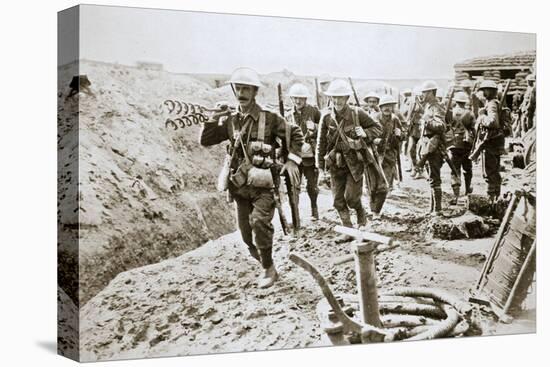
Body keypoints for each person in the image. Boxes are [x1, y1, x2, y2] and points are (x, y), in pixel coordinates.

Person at [199, 67, 304, 288]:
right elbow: (206, 140)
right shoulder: (230, 120)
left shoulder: (270, 118)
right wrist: (212, 119)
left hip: (264, 185)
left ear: (255, 92)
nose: (242, 93)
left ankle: (268, 269)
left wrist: (292, 160)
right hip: (239, 186)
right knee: (247, 236)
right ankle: (266, 260)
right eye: (238, 88)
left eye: (246, 89)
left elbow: (295, 133)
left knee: (259, 222)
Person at [317, 79, 382, 228]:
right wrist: (320, 169)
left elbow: (378, 128)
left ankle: (361, 216)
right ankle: (348, 228)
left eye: (341, 97)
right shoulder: (326, 117)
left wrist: (365, 133)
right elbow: (321, 144)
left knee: (352, 198)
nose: (338, 101)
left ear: (347, 98)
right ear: (330, 98)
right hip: (335, 163)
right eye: (335, 97)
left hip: (355, 163)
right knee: (338, 201)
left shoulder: (357, 113)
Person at [287, 83, 322, 219]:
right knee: (294, 186)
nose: (298, 101)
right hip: (295, 155)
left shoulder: (313, 111)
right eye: (295, 98)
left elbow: (326, 127)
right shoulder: (289, 115)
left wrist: (315, 127)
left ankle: (314, 208)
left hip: (310, 156)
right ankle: (295, 215)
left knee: (312, 186)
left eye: (300, 98)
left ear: (306, 99)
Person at [415, 80, 446, 215]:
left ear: (431, 92)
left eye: (425, 92)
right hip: (427, 146)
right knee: (431, 178)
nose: (423, 95)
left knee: (435, 178)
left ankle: (437, 209)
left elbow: (441, 127)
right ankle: (432, 209)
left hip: (434, 147)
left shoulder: (437, 108)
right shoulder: (428, 107)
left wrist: (428, 121)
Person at [476, 80, 505, 205]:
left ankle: (491, 200)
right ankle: (496, 198)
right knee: (494, 171)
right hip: (495, 142)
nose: (483, 92)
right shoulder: (493, 103)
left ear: (491, 91)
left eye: (485, 90)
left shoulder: (492, 104)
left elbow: (493, 122)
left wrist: (482, 116)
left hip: (490, 142)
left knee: (489, 172)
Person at [446, 91, 475, 204]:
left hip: (454, 144)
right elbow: (474, 129)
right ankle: (468, 191)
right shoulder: (469, 113)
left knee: (455, 169)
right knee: (467, 168)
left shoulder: (451, 113)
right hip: (466, 143)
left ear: (456, 101)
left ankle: (456, 195)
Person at [374, 95, 403, 192]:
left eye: (389, 106)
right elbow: (367, 133)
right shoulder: (374, 118)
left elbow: (403, 134)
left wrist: (399, 135)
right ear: (380, 107)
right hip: (377, 150)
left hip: (390, 150)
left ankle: (388, 189)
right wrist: (375, 140)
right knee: (375, 171)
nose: (387, 108)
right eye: (384, 106)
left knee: (389, 170)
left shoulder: (395, 119)